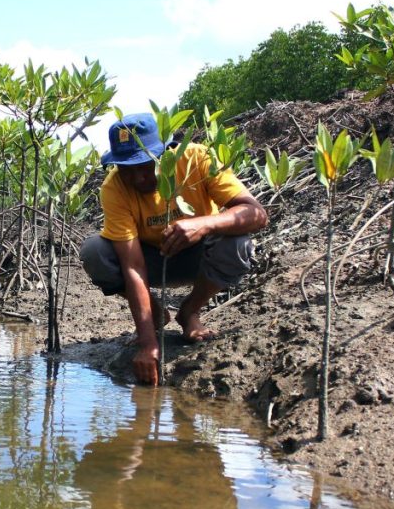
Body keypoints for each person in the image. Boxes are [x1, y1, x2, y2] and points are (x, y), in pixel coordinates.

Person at [80, 113, 268, 385]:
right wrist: (148, 341)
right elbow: (132, 266)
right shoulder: (114, 187)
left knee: (237, 244)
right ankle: (156, 314)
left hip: (200, 256)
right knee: (95, 252)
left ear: (164, 154)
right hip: (152, 262)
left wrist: (203, 225)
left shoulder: (196, 159)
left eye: (145, 165)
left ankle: (190, 312)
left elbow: (257, 214)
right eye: (126, 168)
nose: (137, 178)